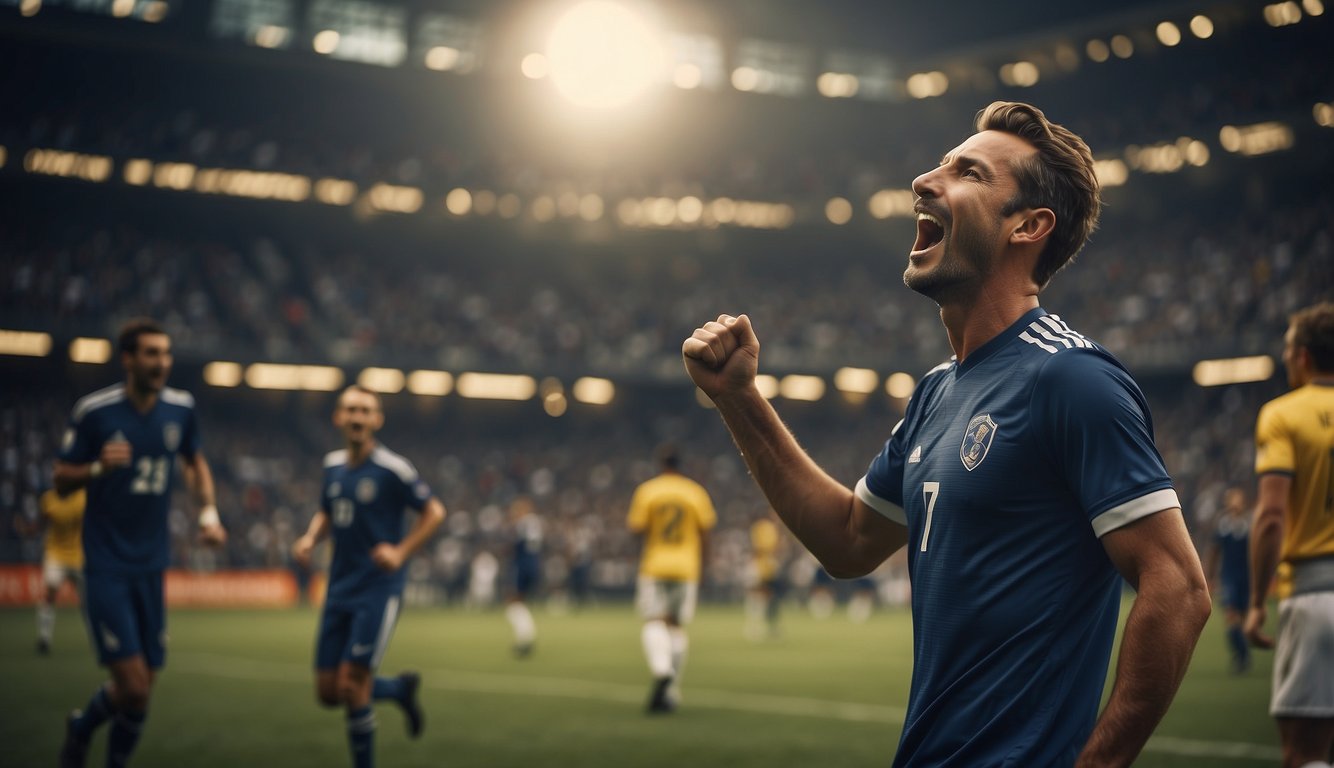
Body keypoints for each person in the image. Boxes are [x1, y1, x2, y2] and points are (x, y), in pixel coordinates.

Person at [683, 101, 1210, 766]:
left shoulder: (1071, 378)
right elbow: (848, 542)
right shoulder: (938, 391)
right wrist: (739, 399)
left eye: (967, 172)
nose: (924, 181)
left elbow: (1180, 587)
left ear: (1029, 226)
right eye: (938, 164)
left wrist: (1099, 762)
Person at [54, 317, 228, 768]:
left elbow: (195, 463)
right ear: (127, 359)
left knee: (144, 685)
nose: (162, 363)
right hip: (106, 564)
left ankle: (83, 728)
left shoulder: (181, 409)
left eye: (166, 354)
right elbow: (60, 479)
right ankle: (91, 737)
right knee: (132, 685)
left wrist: (208, 514)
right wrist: (95, 468)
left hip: (152, 563)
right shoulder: (95, 412)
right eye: (151, 354)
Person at [292, 385, 445, 768]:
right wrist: (311, 537)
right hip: (339, 587)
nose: (357, 417)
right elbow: (329, 510)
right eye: (350, 410)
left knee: (352, 683)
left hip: (377, 589)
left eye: (365, 411)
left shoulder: (393, 468)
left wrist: (400, 551)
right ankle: (397, 690)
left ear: (377, 419)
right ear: (337, 417)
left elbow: (434, 512)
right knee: (328, 692)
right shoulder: (332, 466)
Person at [1244, 301, 1334, 768]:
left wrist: (1259, 601)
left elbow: (1273, 516)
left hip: (1316, 596)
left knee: (1304, 752)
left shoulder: (1284, 415)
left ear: (1302, 356)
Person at [627, 442, 716, 714]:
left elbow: (636, 529)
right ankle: (672, 690)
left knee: (653, 621)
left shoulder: (648, 490)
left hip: (655, 565)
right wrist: (704, 567)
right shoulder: (695, 492)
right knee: (676, 627)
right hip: (687, 567)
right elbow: (705, 533)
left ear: (660, 463)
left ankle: (661, 670)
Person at [1203, 487, 1252, 673]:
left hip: (1247, 577)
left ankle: (1242, 654)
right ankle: (1241, 655)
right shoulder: (1223, 525)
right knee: (1232, 617)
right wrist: (1210, 576)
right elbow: (1214, 552)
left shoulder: (1250, 524)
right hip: (1229, 576)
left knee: (1244, 620)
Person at [34, 484, 86, 655]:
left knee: (89, 601)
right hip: (55, 553)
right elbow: (41, 523)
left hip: (78, 555)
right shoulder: (48, 499)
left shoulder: (81, 497)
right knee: (50, 592)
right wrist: (29, 529)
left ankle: (97, 638)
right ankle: (44, 638)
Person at [505, 496, 542, 657]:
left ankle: (525, 638)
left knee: (514, 603)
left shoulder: (524, 522)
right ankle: (525, 637)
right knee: (519, 602)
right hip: (533, 562)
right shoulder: (535, 522)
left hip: (523, 564)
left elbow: (516, 544)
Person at [744, 511, 784, 640]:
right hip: (764, 566)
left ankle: (760, 626)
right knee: (764, 597)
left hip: (765, 566)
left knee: (764, 597)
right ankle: (758, 626)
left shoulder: (763, 527)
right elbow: (762, 548)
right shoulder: (765, 527)